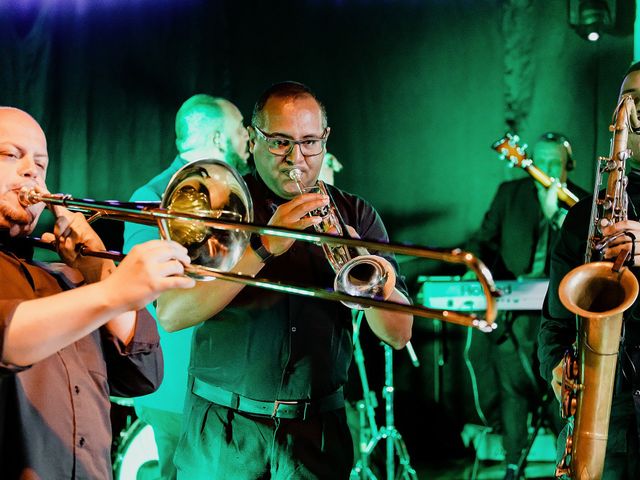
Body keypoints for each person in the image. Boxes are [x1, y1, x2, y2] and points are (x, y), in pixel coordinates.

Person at [156, 81, 413, 479]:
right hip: (225, 431)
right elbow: (172, 315)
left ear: (325, 140)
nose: (296, 157)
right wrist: (263, 247)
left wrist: (362, 266)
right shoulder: (222, 206)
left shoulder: (355, 215)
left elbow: (399, 334)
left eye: (310, 142)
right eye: (280, 142)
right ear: (254, 141)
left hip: (316, 433)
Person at [0, 106, 195, 478]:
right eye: (11, 154)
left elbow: (143, 375)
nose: (32, 172)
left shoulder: (66, 279)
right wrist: (116, 292)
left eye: (41, 165)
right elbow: (6, 338)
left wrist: (101, 272)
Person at [123, 93, 250, 479]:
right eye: (240, 127)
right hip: (180, 385)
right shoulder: (151, 197)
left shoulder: (237, 194)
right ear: (216, 139)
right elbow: (150, 291)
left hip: (225, 380)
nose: (249, 136)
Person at [538, 63, 640, 479]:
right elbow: (554, 323)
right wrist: (556, 368)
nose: (632, 111)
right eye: (626, 100)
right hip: (605, 423)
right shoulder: (584, 217)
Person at [467, 132, 586, 479]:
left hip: (562, 316)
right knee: (512, 389)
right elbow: (483, 240)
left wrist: (555, 216)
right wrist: (478, 274)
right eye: (540, 160)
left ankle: (567, 464)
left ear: (569, 165)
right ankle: (512, 463)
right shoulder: (510, 194)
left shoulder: (582, 203)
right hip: (515, 313)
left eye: (555, 162)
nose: (545, 169)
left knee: (559, 390)